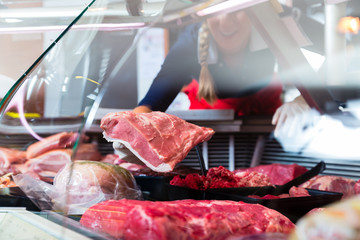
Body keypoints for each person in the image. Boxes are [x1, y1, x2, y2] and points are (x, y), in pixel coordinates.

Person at [133, 10, 309, 129]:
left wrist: (305, 100)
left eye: (236, 9)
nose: (226, 22)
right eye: (216, 11)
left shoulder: (274, 23)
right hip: (210, 122)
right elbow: (153, 102)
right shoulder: (191, 42)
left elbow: (334, 56)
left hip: (267, 117)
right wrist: (132, 128)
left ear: (252, 9)